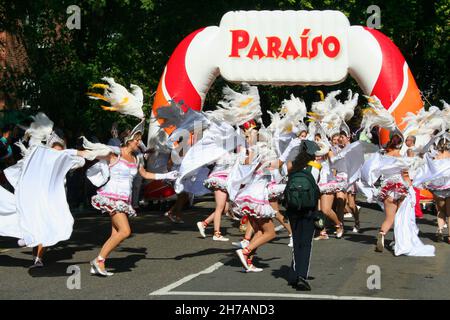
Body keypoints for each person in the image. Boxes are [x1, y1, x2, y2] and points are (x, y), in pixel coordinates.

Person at [88, 131, 178, 276]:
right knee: (125, 231)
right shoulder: (115, 154)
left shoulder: (136, 158)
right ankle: (98, 260)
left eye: (140, 140)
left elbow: (146, 175)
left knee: (116, 233)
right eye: (137, 140)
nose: (139, 143)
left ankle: (99, 263)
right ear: (128, 141)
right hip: (113, 197)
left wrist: (166, 175)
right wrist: (69, 154)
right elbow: (91, 154)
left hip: (124, 200)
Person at [284, 140, 320, 291]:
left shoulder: (292, 167)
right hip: (309, 209)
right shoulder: (315, 168)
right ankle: (301, 276)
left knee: (296, 241)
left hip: (292, 209)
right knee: (306, 244)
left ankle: (294, 273)